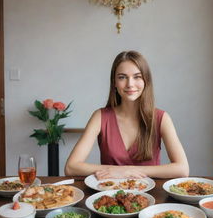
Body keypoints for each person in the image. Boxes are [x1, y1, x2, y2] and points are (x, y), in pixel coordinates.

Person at [65, 51, 189, 179]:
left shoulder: (162, 118)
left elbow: (182, 169)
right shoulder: (100, 117)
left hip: (151, 196)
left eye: (137, 77)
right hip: (108, 195)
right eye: (122, 77)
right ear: (114, 82)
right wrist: (117, 171)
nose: (130, 84)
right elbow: (71, 167)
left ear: (146, 80)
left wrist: (128, 170)